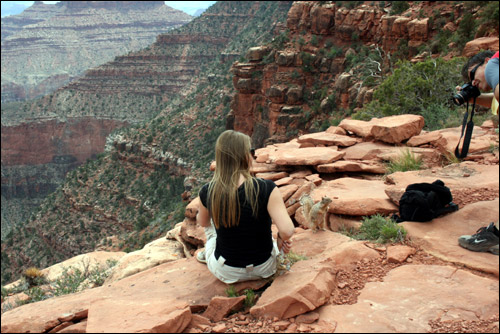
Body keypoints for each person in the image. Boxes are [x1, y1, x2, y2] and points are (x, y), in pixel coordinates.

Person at [196, 130, 295, 283]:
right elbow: (287, 230)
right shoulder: (266, 188)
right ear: (244, 156)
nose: (253, 155)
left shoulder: (208, 191)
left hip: (227, 271)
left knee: (211, 231)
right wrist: (281, 238)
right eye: (251, 152)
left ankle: (207, 254)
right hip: (265, 267)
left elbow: (203, 222)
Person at [456, 50, 499, 255]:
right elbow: (495, 100)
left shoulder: (493, 64)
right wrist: (474, 99)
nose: (472, 82)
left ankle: (494, 238)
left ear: (485, 61)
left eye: (473, 75)